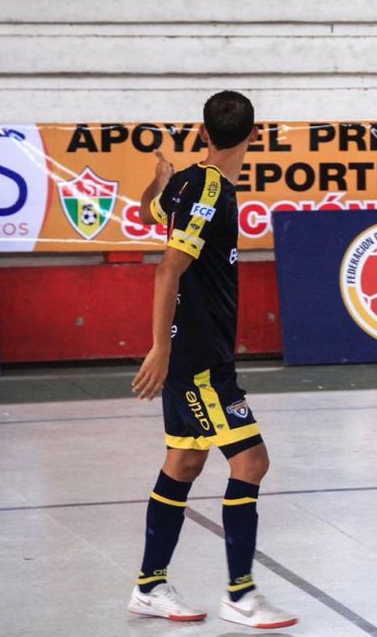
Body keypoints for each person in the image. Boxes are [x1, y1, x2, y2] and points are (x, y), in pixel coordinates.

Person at [127, 91, 297, 629]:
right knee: (250, 462)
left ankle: (149, 586)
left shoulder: (186, 182)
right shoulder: (212, 193)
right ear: (255, 134)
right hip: (199, 358)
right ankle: (241, 596)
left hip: (201, 353)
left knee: (184, 463)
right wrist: (161, 347)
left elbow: (146, 210)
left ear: (203, 133)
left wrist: (160, 175)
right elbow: (167, 268)